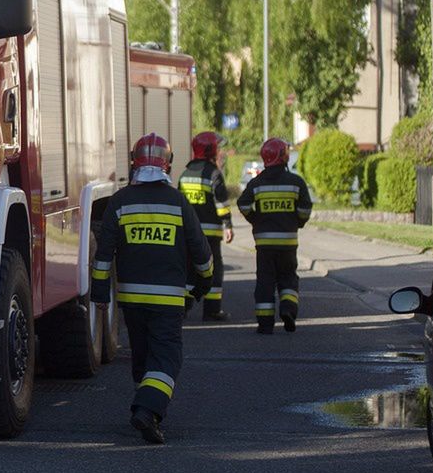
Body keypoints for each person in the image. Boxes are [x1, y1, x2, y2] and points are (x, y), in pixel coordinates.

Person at [90, 132, 214, 444]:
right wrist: (201, 286)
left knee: (143, 357)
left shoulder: (119, 201)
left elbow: (103, 255)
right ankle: (147, 410)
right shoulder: (177, 201)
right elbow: (201, 252)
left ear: (134, 163)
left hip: (131, 301)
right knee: (167, 358)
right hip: (168, 301)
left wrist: (100, 294)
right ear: (167, 165)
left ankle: (149, 409)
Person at [236, 138, 313, 334]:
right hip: (288, 242)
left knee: (265, 281)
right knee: (288, 278)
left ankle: (265, 324)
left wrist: (255, 220)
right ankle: (288, 308)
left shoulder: (257, 183)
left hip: (264, 244)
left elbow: (243, 204)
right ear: (283, 156)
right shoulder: (296, 182)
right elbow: (305, 208)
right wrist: (298, 222)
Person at [178, 131, 234, 321]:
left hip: (189, 234)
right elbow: (221, 204)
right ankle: (212, 310)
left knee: (188, 269)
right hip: (210, 235)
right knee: (214, 269)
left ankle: (183, 308)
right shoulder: (213, 174)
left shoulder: (185, 175)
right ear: (211, 150)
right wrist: (228, 225)